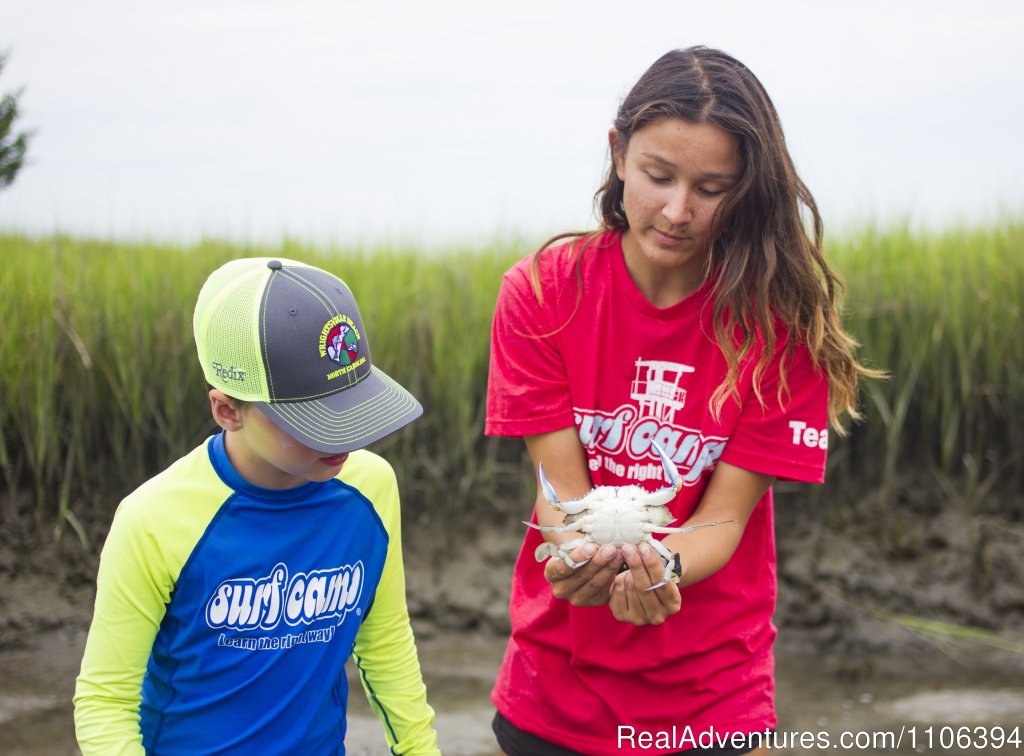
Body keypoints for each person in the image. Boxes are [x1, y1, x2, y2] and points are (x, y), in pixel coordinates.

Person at [485, 46, 879, 756]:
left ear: (748, 190)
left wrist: (660, 567)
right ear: (618, 154)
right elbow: (558, 492)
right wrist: (575, 558)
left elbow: (723, 519)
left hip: (712, 698)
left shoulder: (778, 325)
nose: (677, 210)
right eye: (657, 176)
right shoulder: (543, 293)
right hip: (555, 695)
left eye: (711, 187)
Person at [74, 258, 440, 754]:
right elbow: (105, 702)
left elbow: (385, 641)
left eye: (351, 403)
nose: (347, 438)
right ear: (228, 410)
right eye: (313, 419)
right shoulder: (154, 518)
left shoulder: (371, 489)